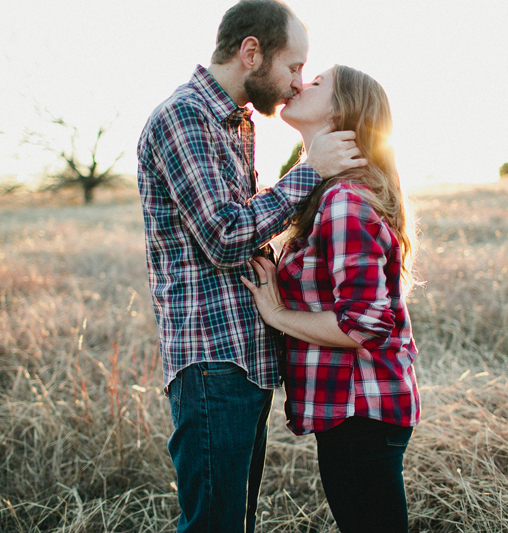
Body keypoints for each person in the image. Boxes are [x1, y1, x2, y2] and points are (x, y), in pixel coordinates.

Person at [136, 1, 366, 531]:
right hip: (213, 358)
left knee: (233, 521)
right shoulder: (185, 117)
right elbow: (223, 236)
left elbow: (248, 220)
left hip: (243, 356)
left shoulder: (234, 122)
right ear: (251, 52)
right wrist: (309, 173)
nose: (297, 82)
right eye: (294, 67)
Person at [241, 65, 421, 533]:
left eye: (316, 83)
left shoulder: (344, 201)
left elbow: (363, 324)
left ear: (342, 111)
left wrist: (277, 313)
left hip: (361, 409)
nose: (299, 84)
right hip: (349, 411)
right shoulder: (326, 194)